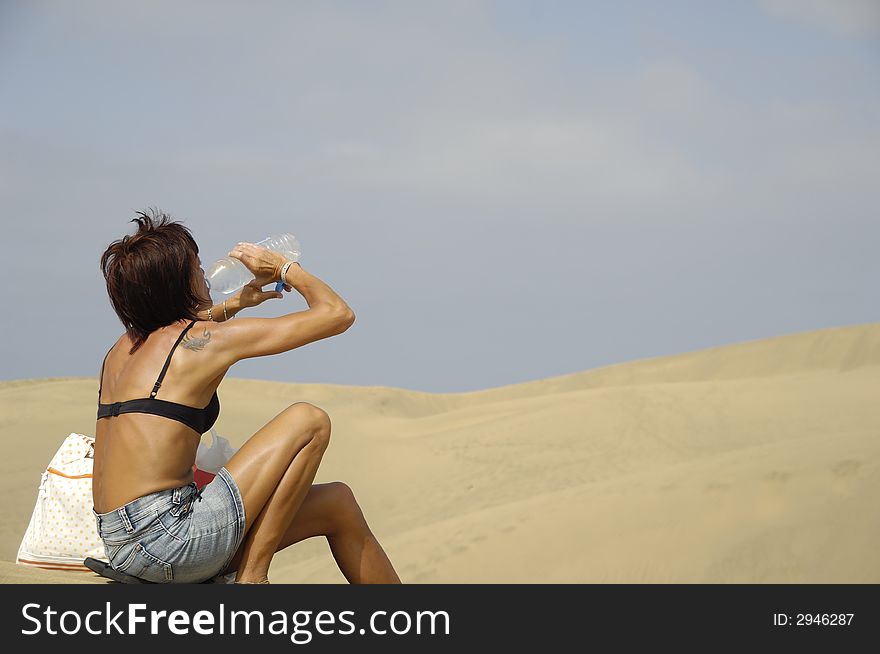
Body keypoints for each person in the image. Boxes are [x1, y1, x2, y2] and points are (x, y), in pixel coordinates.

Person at [92, 209, 401, 584]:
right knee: (308, 419)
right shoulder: (201, 344)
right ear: (177, 282)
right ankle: (253, 578)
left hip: (121, 544)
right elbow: (337, 314)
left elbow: (182, 333)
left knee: (338, 504)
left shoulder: (119, 352)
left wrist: (235, 304)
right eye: (196, 266)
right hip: (170, 542)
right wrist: (285, 268)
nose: (204, 275)